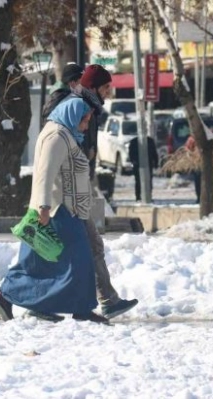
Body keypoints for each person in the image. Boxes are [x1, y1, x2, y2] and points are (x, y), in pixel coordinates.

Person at [0, 97, 109, 324]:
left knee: (45, 262)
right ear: (73, 115)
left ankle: (14, 298)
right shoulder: (56, 136)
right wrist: (43, 206)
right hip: (56, 211)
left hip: (64, 209)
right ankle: (6, 295)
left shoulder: (64, 133)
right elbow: (45, 172)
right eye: (84, 121)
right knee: (79, 259)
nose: (85, 126)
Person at [38, 63, 139, 320]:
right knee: (68, 252)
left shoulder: (83, 114)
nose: (109, 93)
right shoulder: (65, 119)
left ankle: (95, 302)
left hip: (75, 198)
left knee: (84, 249)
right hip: (64, 202)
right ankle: (31, 302)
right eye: (106, 87)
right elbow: (48, 170)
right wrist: (44, 205)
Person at [127, 135, 158, 202]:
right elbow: (130, 153)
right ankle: (138, 196)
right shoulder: (134, 141)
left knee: (148, 180)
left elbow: (154, 152)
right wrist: (133, 161)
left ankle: (148, 195)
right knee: (138, 181)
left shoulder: (150, 141)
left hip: (148, 164)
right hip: (138, 165)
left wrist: (155, 162)